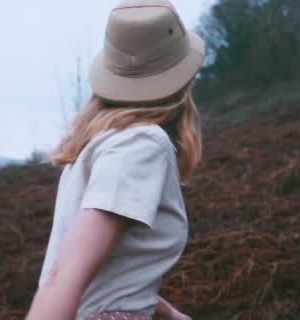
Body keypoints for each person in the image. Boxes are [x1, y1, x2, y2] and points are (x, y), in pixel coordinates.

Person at [26, 0, 205, 319]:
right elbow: (62, 278)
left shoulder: (103, 145)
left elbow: (108, 273)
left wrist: (170, 314)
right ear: (183, 81)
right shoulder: (142, 144)